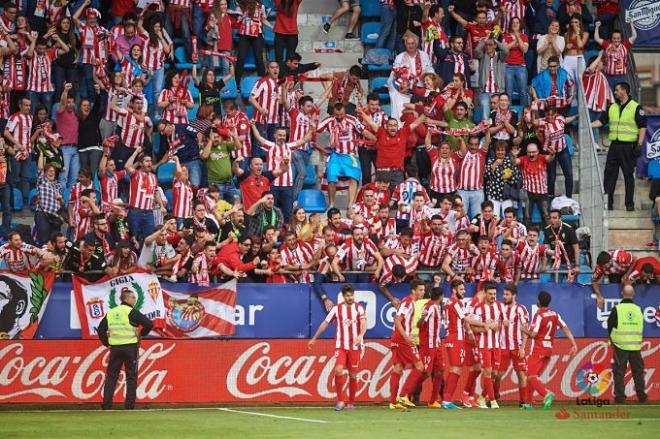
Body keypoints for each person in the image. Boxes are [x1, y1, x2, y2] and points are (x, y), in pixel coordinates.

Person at [308, 284, 367, 411]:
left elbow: (364, 324)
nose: (350, 298)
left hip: (355, 347)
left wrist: (361, 335)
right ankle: (340, 401)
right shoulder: (336, 309)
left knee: (353, 374)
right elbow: (325, 323)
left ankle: (351, 402)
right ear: (343, 296)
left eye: (351, 295)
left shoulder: (359, 308)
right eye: (347, 296)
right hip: (341, 345)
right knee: (338, 369)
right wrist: (314, 338)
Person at [591, 82, 647, 211]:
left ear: (624, 91)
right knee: (609, 176)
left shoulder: (636, 107)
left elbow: (642, 127)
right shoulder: (612, 107)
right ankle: (608, 204)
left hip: (628, 146)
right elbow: (601, 121)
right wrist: (588, 124)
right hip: (614, 146)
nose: (615, 92)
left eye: (617, 90)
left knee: (628, 176)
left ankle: (629, 204)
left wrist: (639, 144)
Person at [97, 287, 154, 410]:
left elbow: (101, 330)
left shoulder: (111, 312)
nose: (135, 299)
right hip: (130, 348)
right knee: (131, 377)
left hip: (115, 349)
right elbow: (149, 324)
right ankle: (129, 405)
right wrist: (141, 334)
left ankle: (106, 405)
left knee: (111, 376)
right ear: (127, 299)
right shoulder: (131, 312)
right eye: (133, 297)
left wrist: (107, 343)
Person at [525, 290, 578, 409]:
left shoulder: (538, 315)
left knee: (530, 376)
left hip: (538, 350)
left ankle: (546, 394)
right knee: (533, 377)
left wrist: (522, 329)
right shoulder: (555, 314)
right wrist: (573, 344)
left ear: (538, 301)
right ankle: (528, 403)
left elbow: (533, 334)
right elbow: (566, 328)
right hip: (548, 351)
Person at [389, 279, 426, 409]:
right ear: (413, 290)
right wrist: (406, 337)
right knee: (420, 366)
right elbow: (397, 320)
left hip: (400, 338)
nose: (423, 292)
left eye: (423, 290)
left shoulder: (410, 303)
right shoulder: (408, 302)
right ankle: (403, 395)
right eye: (420, 290)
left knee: (398, 368)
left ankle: (393, 402)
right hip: (402, 340)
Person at [608, 285, 648, 404]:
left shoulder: (617, 309)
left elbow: (610, 326)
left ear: (622, 293)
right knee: (638, 372)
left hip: (620, 346)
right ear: (633, 294)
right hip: (635, 346)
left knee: (619, 372)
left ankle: (620, 398)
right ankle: (642, 397)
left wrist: (612, 340)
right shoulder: (639, 309)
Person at [473, 282, 505, 409]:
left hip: (496, 345)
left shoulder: (499, 307)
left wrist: (498, 326)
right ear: (485, 294)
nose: (493, 296)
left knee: (495, 374)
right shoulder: (478, 308)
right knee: (488, 371)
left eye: (495, 294)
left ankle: (481, 398)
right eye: (490, 294)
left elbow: (501, 324)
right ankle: (492, 401)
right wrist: (485, 328)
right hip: (484, 345)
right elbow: (474, 328)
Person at [497, 283, 529, 407]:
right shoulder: (500, 308)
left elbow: (525, 329)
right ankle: (494, 396)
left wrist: (523, 348)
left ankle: (523, 401)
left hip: (517, 347)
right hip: (502, 347)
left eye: (507, 294)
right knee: (498, 374)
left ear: (514, 295)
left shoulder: (521, 309)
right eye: (504, 294)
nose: (504, 296)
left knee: (521, 375)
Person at [416, 286, 444, 408]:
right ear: (442, 296)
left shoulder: (436, 307)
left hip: (436, 345)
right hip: (427, 345)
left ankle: (433, 401)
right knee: (426, 373)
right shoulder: (430, 307)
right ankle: (405, 394)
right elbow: (419, 324)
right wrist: (422, 317)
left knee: (439, 372)